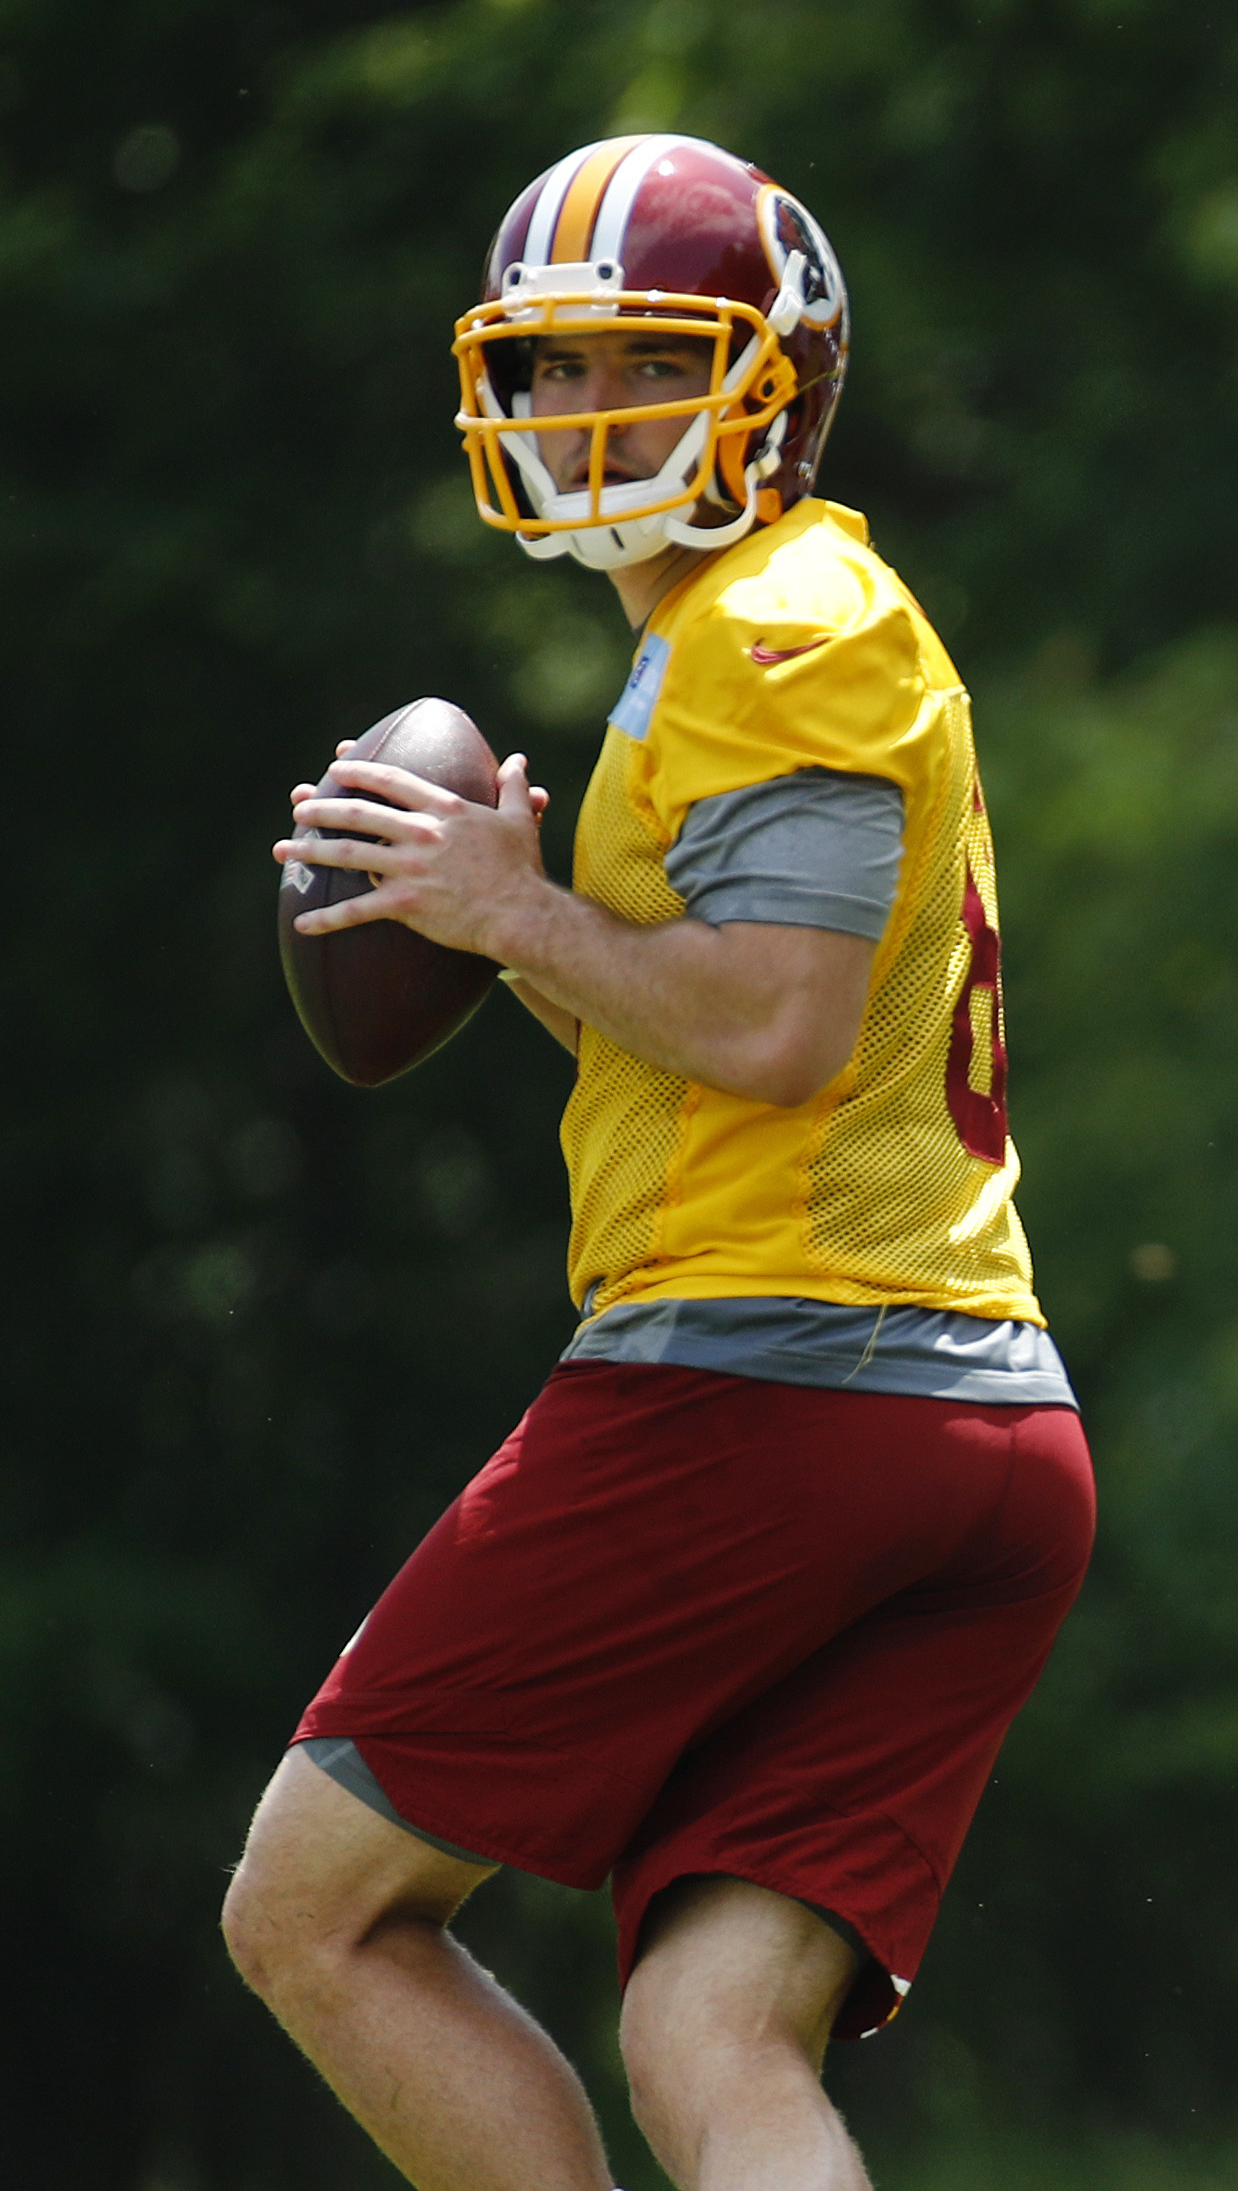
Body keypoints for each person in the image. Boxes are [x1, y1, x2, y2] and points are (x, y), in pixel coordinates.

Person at [226, 133, 1092, 2191]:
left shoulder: (778, 621)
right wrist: (496, 914)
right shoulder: (726, 631)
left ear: (770, 382)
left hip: (770, 1380)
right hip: (965, 1420)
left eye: (635, 362)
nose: (574, 413)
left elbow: (776, 1032)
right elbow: (712, 1013)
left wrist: (515, 915)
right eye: (542, 371)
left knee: (312, 1908)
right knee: (711, 2039)